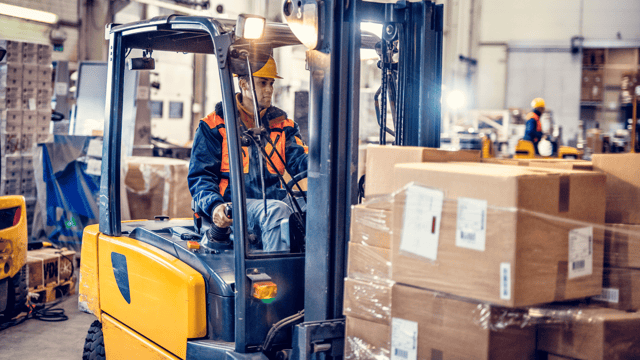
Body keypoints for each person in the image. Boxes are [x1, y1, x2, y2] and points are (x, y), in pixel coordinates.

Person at [188, 56, 308, 252]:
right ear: (243, 83)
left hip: (273, 200)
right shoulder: (214, 125)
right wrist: (214, 205)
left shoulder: (283, 125)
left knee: (316, 208)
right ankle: (276, 277)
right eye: (262, 83)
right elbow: (200, 177)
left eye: (271, 83)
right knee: (275, 212)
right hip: (233, 205)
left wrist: (325, 161)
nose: (269, 89)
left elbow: (300, 161)